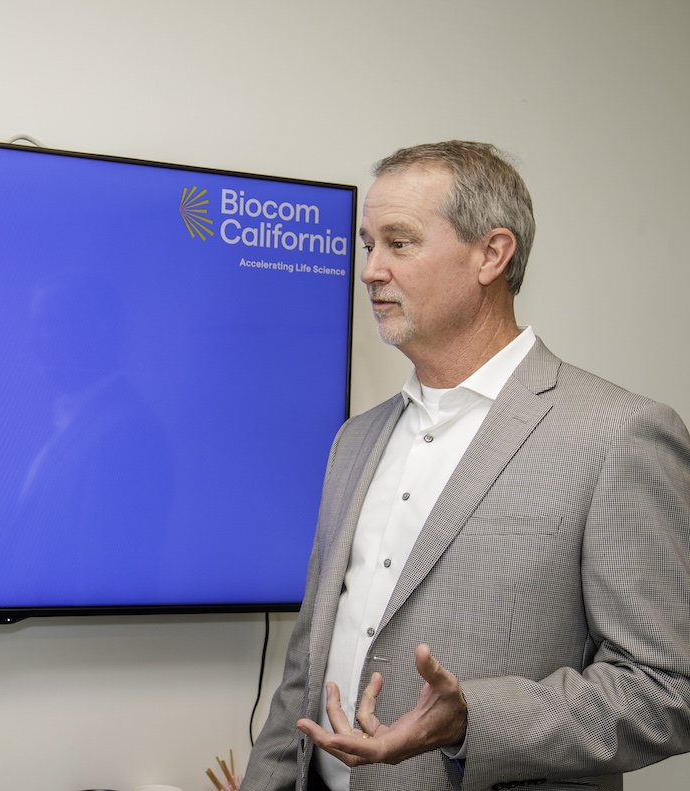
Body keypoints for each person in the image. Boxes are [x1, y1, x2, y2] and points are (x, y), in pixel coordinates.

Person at [241, 141, 690, 791]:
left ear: (491, 254)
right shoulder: (354, 441)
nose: (369, 270)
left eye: (399, 243)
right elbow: (303, 674)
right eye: (367, 245)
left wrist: (473, 719)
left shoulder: (620, 434)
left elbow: (667, 687)